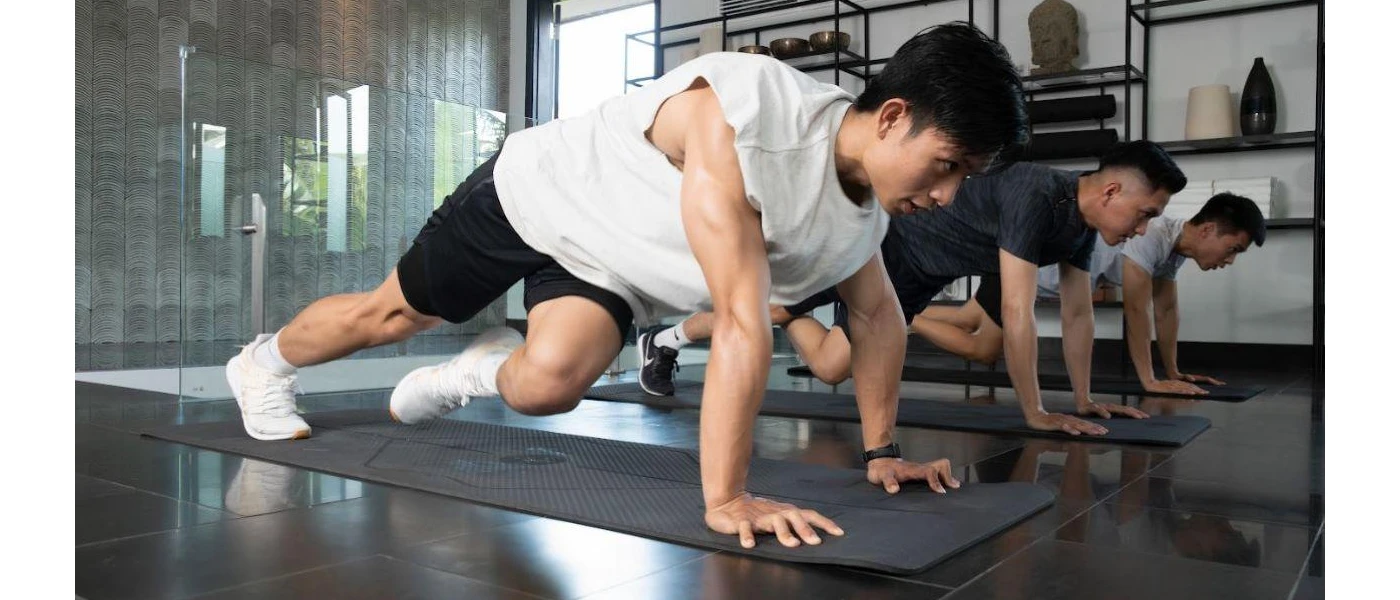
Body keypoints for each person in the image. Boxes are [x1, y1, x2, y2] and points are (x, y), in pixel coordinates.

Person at [223, 23, 1028, 549]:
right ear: (892, 119)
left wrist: (884, 452)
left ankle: (471, 370)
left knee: (546, 388)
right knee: (388, 315)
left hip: (609, 268)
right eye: (948, 165)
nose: (950, 194)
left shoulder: (862, 221)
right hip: (538, 196)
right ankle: (262, 365)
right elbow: (743, 326)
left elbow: (879, 318)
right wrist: (727, 498)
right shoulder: (748, 114)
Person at [639, 141, 1185, 436]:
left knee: (829, 366)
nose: (1142, 229)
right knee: (771, 311)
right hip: (883, 243)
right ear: (1112, 190)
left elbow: (1077, 316)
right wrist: (1035, 412)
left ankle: (790, 310)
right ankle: (664, 341)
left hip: (921, 274)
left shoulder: (1082, 228)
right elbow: (1017, 311)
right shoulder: (1038, 193)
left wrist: (1085, 400)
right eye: (1144, 214)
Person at [909, 192, 1263, 397]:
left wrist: (1173, 371)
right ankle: (904, 317)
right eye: (1232, 248)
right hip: (1023, 266)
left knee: (965, 318)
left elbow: (1166, 310)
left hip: (1037, 273)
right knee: (984, 349)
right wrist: (1150, 382)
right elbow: (1138, 312)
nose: (1229, 260)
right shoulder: (1153, 235)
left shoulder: (1174, 249)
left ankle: (903, 314)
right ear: (1208, 230)